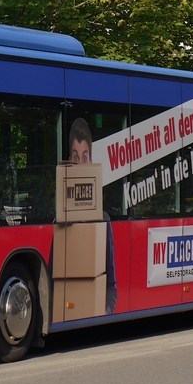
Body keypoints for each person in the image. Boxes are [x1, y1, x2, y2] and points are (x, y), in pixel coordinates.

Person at [68, 117, 118, 315]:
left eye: (85, 157)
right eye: (75, 157)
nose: (80, 164)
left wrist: (103, 312)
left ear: (90, 161)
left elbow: (112, 285)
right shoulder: (60, 222)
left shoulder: (103, 220)